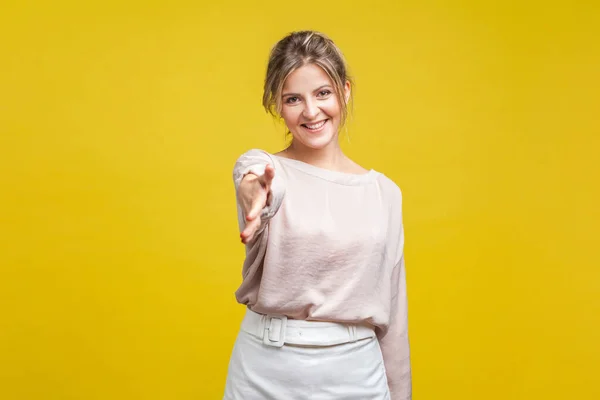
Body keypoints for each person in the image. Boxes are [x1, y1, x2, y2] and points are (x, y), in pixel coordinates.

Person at [223, 30, 412, 400]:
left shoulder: (384, 193)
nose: (311, 111)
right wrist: (253, 189)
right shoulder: (268, 173)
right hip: (265, 371)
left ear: (345, 91)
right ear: (277, 106)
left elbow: (394, 312)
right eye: (293, 99)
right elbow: (251, 172)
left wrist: (400, 393)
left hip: (357, 376)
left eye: (322, 93)